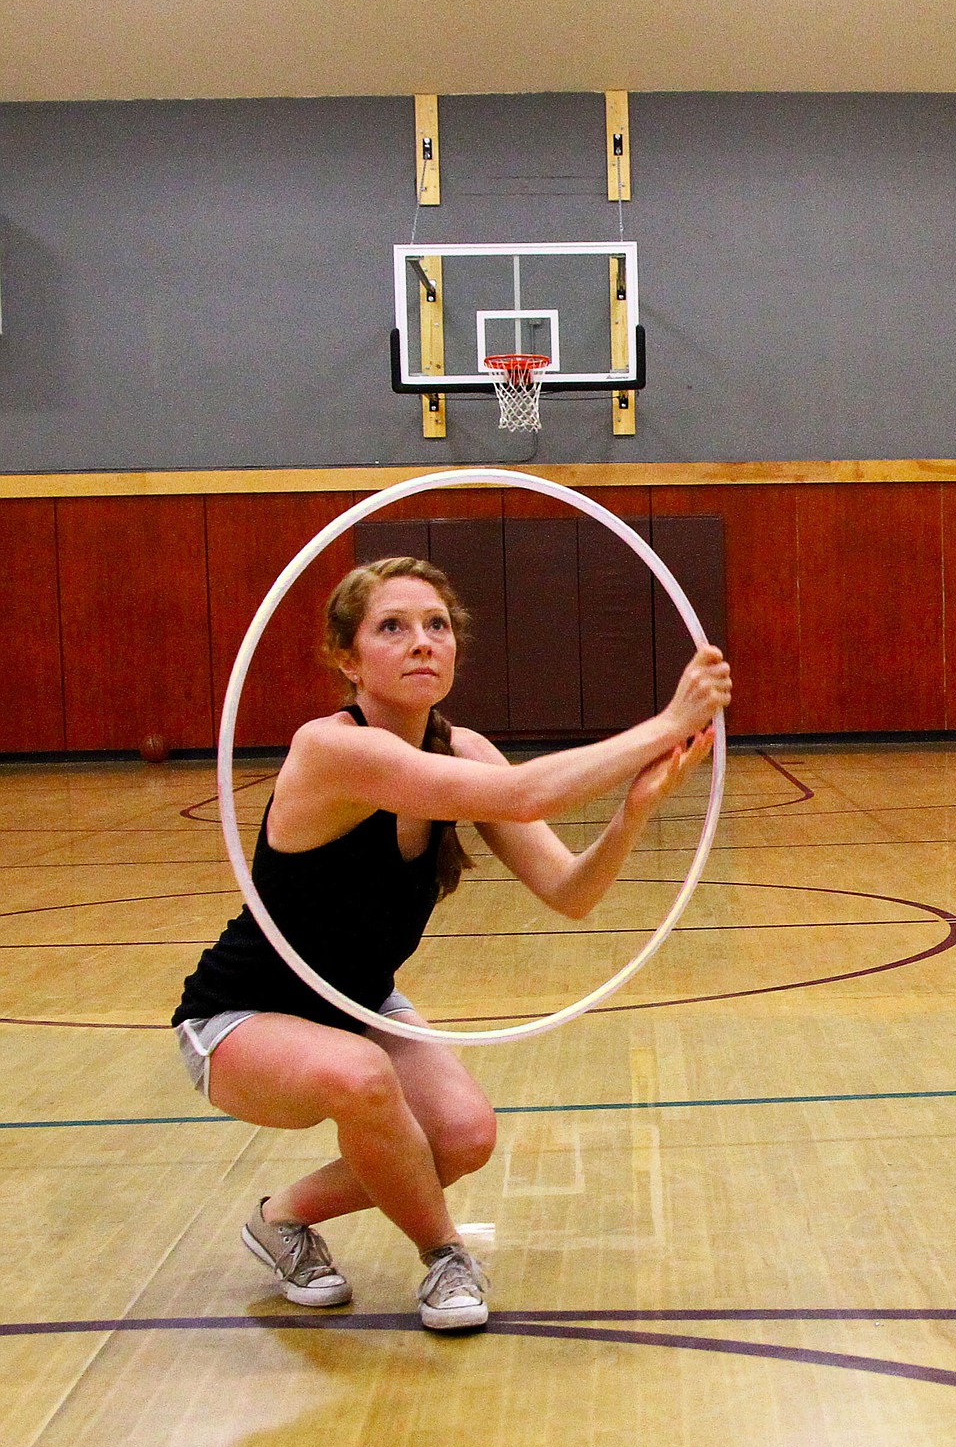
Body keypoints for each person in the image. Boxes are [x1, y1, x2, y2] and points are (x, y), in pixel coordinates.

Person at [173, 554, 731, 1331]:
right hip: (238, 1019)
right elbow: (525, 792)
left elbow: (571, 893)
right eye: (392, 628)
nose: (422, 642)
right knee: (365, 1077)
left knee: (464, 1135)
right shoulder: (333, 749)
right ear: (347, 656)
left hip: (356, 1005)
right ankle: (444, 1259)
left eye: (437, 626)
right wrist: (668, 725)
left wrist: (635, 810)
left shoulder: (463, 748)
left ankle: (282, 1219)